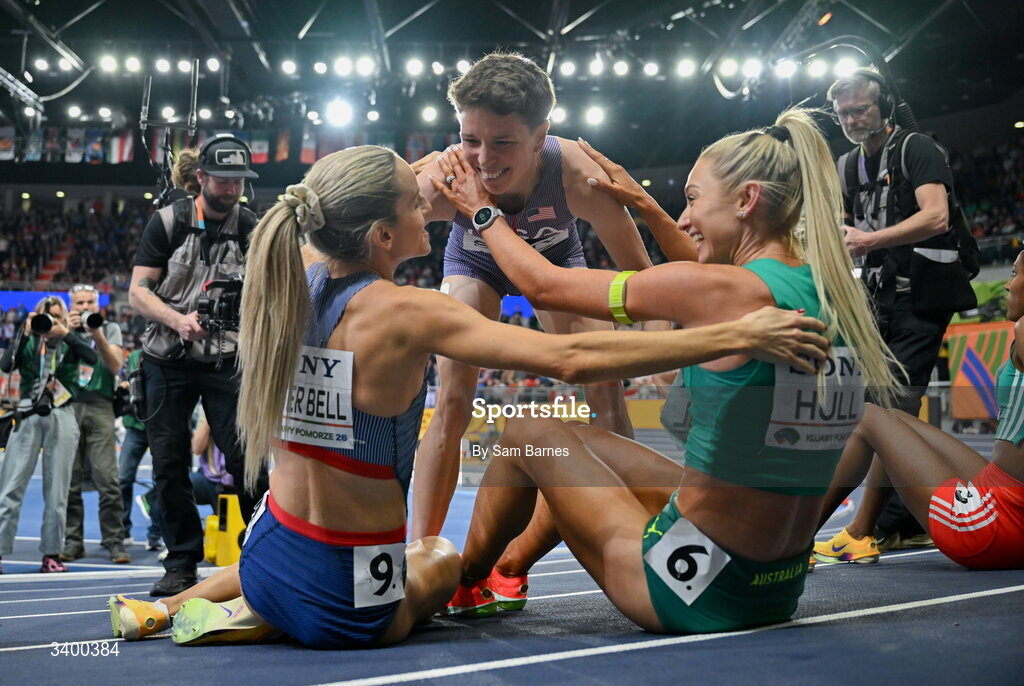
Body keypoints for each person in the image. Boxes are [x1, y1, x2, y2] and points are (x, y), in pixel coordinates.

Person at [107, 144, 830, 647]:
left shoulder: (291, 269)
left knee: (291, 554)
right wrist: (733, 337)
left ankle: (170, 605)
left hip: (273, 551)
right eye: (420, 204)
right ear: (387, 233)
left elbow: (346, 197)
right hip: (350, 602)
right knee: (440, 557)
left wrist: (442, 168)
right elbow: (570, 355)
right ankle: (268, 615)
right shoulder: (405, 311)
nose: (437, 207)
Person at [429, 107, 900, 632]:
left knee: (526, 435)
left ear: (746, 201)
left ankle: (458, 583)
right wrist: (647, 206)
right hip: (778, 584)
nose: (683, 218)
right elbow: (710, 273)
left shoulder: (724, 291)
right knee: (583, 444)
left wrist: (481, 211)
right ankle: (509, 568)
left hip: (689, 587)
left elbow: (544, 286)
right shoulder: (827, 288)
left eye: (693, 200)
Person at [411, 53, 681, 540]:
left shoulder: (576, 173)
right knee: (452, 398)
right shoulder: (445, 176)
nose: (485, 161)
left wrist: (661, 349)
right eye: (470, 140)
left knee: (606, 386)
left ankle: (639, 535)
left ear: (541, 137)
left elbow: (641, 275)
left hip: (554, 264)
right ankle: (421, 550)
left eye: (503, 143)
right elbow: (371, 240)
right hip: (475, 263)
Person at [824, 69, 976, 551]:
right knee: (881, 412)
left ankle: (862, 530)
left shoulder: (916, 148)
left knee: (887, 412)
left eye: (860, 109)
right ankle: (901, 519)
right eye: (843, 113)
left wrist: (868, 240)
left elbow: (936, 216)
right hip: (876, 301)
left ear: (885, 107)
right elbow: (843, 230)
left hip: (921, 298)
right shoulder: (848, 164)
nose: (850, 119)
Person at [812, 250, 1024, 570]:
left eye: (1015, 273)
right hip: (1007, 495)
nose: (1007, 285)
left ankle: (791, 543)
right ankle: (858, 532)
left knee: (867, 416)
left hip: (992, 527)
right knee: (897, 420)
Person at [129, 134, 268, 596]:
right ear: (202, 178)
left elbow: (272, 292)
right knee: (169, 460)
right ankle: (182, 560)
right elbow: (138, 292)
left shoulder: (251, 226)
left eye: (239, 182)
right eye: (223, 180)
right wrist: (178, 320)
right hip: (165, 358)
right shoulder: (166, 223)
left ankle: (263, 552)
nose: (231, 190)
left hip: (226, 357)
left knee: (246, 456)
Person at [0, 296, 98, 573]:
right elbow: (7, 366)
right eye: (47, 316)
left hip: (62, 413)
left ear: (64, 318)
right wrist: (25, 331)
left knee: (57, 493)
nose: (51, 321)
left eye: (57, 316)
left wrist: (67, 334)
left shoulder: (73, 339)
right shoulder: (29, 338)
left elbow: (93, 358)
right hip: (28, 412)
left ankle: (52, 554)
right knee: (9, 489)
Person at [60, 284, 130, 564]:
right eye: (79, 302)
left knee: (107, 479)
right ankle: (73, 541)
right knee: (69, 480)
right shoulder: (60, 327)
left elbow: (115, 366)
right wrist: (65, 330)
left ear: (98, 305)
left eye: (90, 301)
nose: (85, 306)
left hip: (101, 404)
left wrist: (95, 333)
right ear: (70, 306)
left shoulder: (109, 328)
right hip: (66, 405)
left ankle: (114, 540)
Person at [117, 348, 162, 552]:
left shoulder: (166, 355)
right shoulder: (133, 357)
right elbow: (122, 379)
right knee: (123, 477)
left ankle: (156, 534)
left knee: (160, 481)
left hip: (159, 427)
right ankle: (123, 529)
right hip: (135, 427)